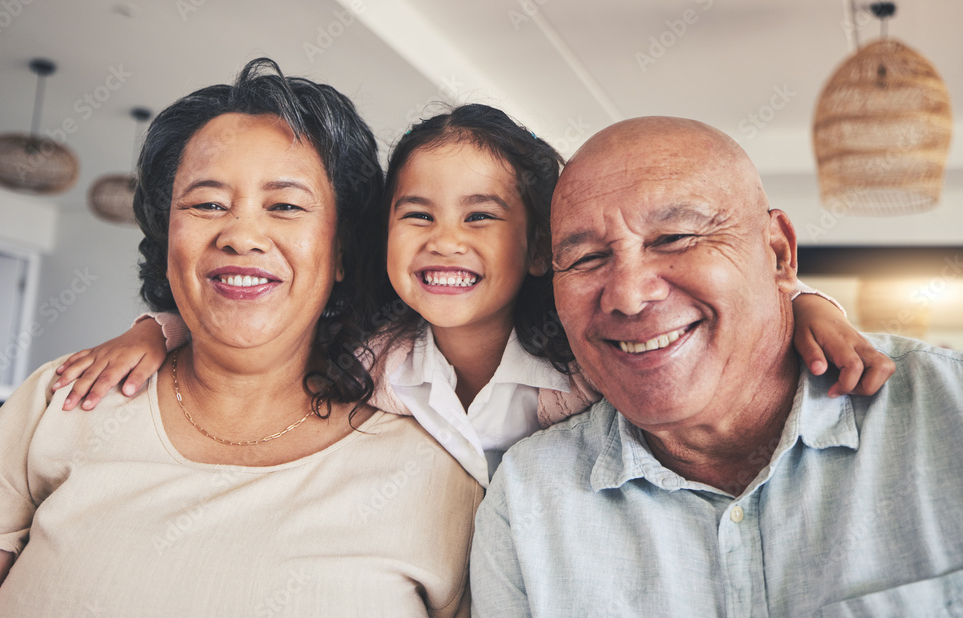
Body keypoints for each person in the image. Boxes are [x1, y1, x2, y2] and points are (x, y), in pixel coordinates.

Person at [52, 106, 891, 488]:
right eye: (416, 214)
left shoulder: (590, 364)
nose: (444, 241)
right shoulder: (372, 352)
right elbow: (263, 319)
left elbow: (710, 321)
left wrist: (811, 307)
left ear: (536, 251)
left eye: (480, 218)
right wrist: (154, 329)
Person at [0, 59, 480, 618]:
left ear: (342, 252)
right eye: (207, 204)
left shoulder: (437, 476)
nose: (240, 233)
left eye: (285, 206)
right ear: (166, 240)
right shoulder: (62, 397)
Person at [470, 116, 962, 618]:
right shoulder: (527, 505)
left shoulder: (947, 411)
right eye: (588, 258)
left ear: (778, 253)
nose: (629, 295)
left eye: (675, 237)